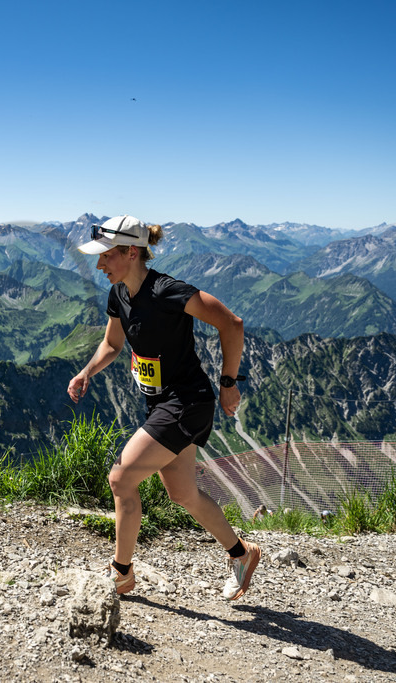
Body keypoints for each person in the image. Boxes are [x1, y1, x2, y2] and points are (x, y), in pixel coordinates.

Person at [67, 215, 261, 600]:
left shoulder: (168, 291)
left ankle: (121, 573)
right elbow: (113, 344)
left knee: (121, 479)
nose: (99, 264)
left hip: (187, 402)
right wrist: (87, 371)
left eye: (106, 255)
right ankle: (242, 553)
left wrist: (228, 383)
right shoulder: (118, 294)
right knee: (183, 494)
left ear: (131, 252)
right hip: (161, 403)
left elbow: (232, 324)